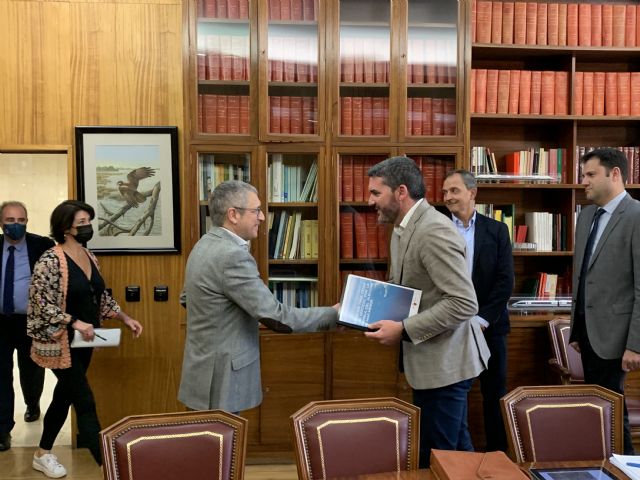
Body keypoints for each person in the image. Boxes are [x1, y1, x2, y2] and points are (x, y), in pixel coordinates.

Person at [363, 156, 490, 467]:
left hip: (447, 364)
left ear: (401, 191)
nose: (369, 201)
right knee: (455, 452)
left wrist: (404, 329)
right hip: (430, 363)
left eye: (376, 193)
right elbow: (405, 290)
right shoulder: (401, 229)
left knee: (438, 458)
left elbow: (463, 302)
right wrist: (361, 307)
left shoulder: (434, 230)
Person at [179, 180, 338, 413]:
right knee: (224, 448)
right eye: (256, 211)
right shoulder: (231, 256)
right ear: (233, 214)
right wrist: (333, 314)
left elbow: (186, 298)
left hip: (202, 373)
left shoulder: (203, 245)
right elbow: (277, 316)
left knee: (208, 447)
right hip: (222, 380)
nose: (262, 217)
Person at [27, 200, 143, 478]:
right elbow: (40, 301)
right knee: (84, 398)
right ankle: (106, 462)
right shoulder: (50, 259)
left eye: (88, 221)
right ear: (66, 227)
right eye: (81, 223)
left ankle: (42, 453)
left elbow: (99, 296)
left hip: (86, 341)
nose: (87, 227)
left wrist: (124, 318)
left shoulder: (89, 256)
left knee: (64, 396)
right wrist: (73, 321)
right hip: (60, 342)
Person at [569, 147, 640, 455]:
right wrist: (576, 328)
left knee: (613, 413)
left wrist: (635, 344)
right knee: (595, 411)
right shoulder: (586, 216)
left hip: (617, 335)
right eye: (583, 174)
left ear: (615, 174)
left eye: (590, 175)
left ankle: (624, 469)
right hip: (588, 332)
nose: (584, 181)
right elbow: (583, 275)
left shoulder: (636, 215)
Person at [442, 170, 514, 452]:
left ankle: (498, 456)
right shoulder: (436, 227)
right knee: (451, 395)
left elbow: (505, 280)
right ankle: (455, 458)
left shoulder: (496, 230)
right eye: (445, 192)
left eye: (455, 191)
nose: (448, 197)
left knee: (493, 394)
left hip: (490, 327)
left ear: (472, 193)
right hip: (448, 327)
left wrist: (481, 319)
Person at [0, 201, 54, 452]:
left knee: (31, 369)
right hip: (0, 322)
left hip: (30, 321)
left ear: (27, 221)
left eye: (21, 220)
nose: (16, 225)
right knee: (1, 376)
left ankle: (33, 403)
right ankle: (2, 430)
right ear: (1, 223)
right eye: (10, 220)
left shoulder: (42, 245)